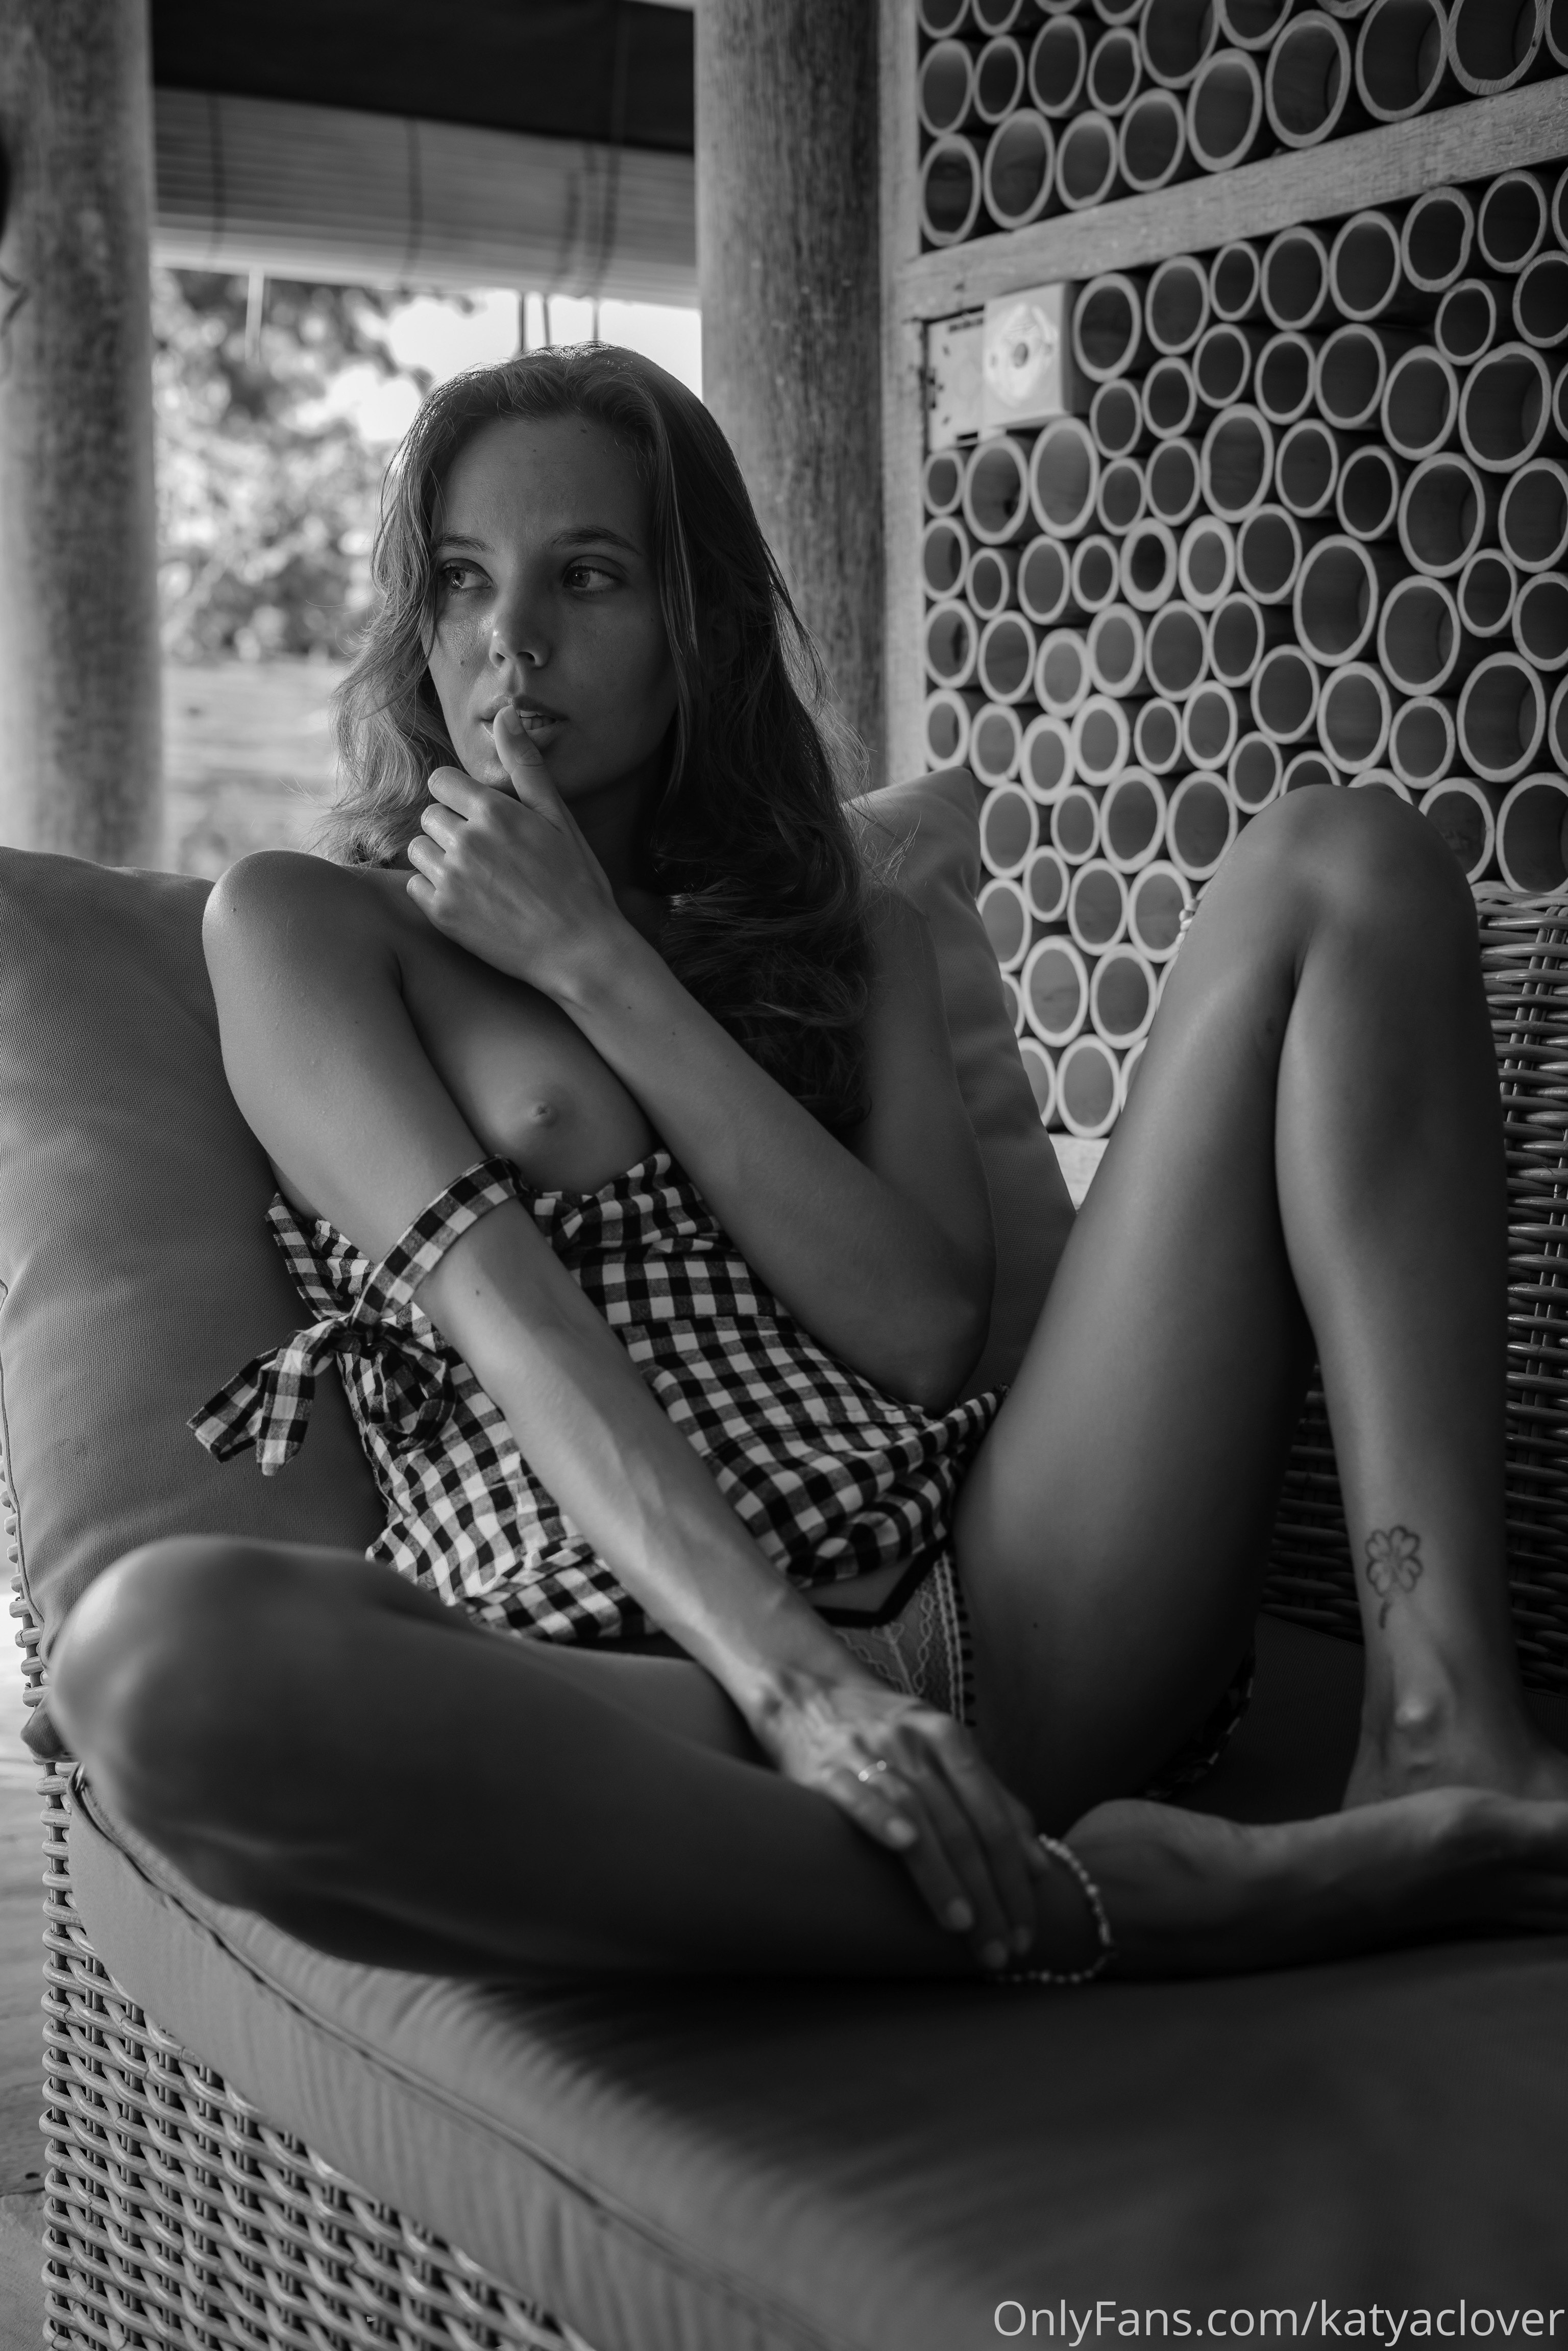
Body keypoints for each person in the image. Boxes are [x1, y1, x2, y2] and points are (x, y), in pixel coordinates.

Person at [52, 346, 1568, 1986]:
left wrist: (600, 967)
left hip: (1002, 1603)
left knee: (1345, 857)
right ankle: (1139, 1906)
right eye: (465, 580)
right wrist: (806, 1694)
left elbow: (919, 1334)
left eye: (588, 576)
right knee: (154, 1662)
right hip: (646, 1692)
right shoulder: (305, 929)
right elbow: (514, 1333)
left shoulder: (854, 931)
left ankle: (1444, 1725)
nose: (514, 639)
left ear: (693, 620)